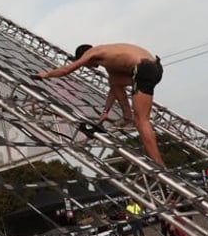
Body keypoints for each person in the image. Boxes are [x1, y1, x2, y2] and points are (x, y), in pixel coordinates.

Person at [35, 43, 166, 166]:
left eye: (85, 63)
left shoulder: (92, 53)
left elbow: (66, 70)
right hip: (153, 67)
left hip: (143, 68)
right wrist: (105, 112)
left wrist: (46, 75)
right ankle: (127, 117)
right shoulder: (110, 60)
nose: (87, 67)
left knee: (141, 121)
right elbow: (113, 90)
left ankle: (158, 165)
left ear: (84, 56)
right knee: (114, 82)